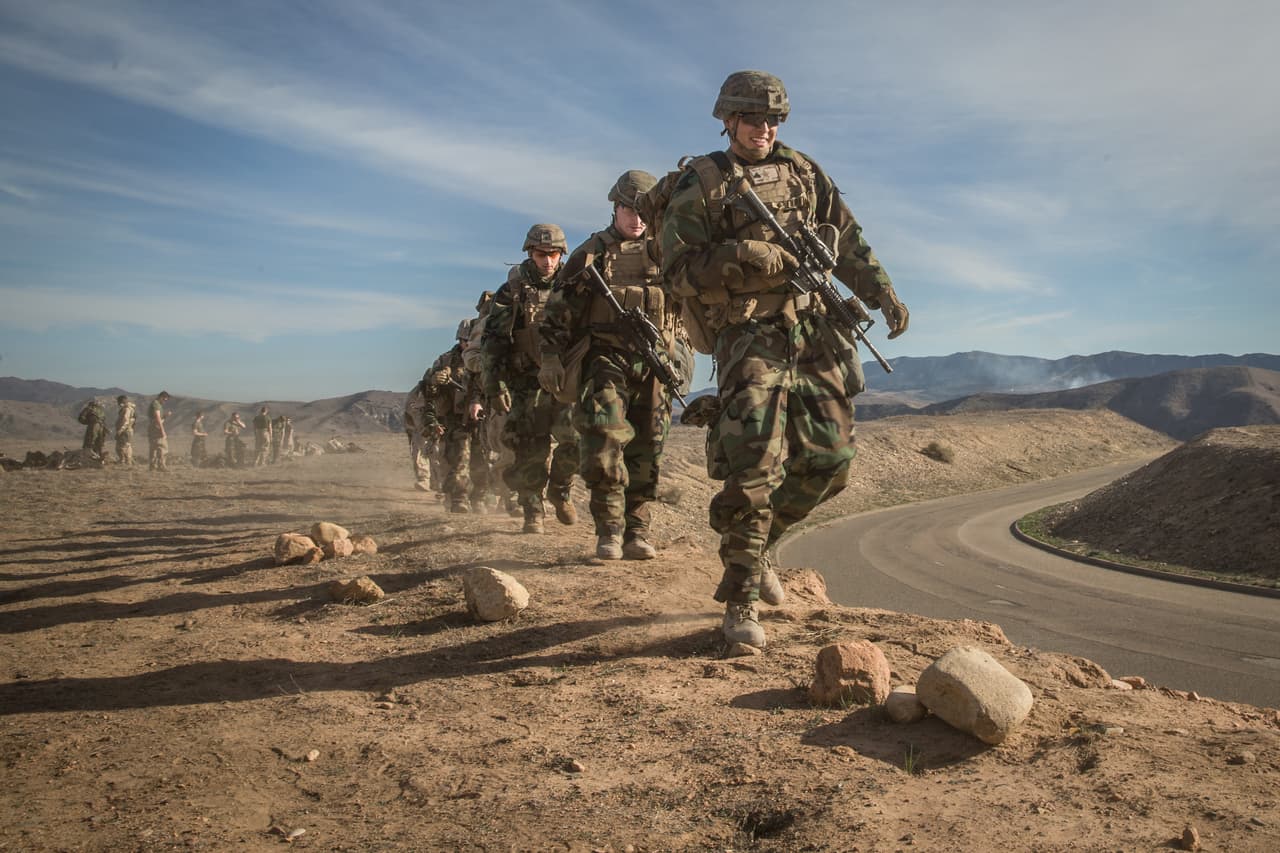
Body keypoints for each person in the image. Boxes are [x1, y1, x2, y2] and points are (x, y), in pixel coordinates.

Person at [660, 71, 910, 650]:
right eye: (753, 119)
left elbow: (847, 240)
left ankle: (765, 542)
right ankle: (741, 597)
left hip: (813, 325)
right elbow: (678, 271)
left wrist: (882, 292)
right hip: (747, 334)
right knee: (754, 466)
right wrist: (747, 256)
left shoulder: (803, 171)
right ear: (728, 121)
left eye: (773, 119)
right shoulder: (702, 182)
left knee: (832, 459)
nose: (764, 129)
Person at [540, 170, 674, 560]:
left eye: (644, 212)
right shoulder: (590, 253)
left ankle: (638, 529)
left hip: (654, 360)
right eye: (629, 210)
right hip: (605, 356)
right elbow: (557, 312)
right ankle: (609, 530)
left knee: (648, 445)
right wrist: (550, 358)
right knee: (603, 440)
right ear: (615, 208)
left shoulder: (667, 251)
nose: (637, 219)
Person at [481, 224, 581, 534]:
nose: (548, 261)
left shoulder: (576, 286)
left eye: (553, 255)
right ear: (530, 253)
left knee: (576, 439)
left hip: (566, 380)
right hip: (526, 381)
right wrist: (494, 384)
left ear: (561, 254)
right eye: (541, 254)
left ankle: (560, 489)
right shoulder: (511, 291)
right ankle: (532, 510)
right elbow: (493, 340)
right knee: (530, 448)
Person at [429, 320, 490, 513]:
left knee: (481, 459)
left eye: (470, 340)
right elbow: (428, 386)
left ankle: (479, 498)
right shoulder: (446, 360)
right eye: (464, 340)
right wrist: (434, 380)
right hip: (456, 419)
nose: (466, 344)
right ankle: (458, 498)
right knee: (459, 458)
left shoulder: (486, 358)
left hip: (483, 417)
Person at [468, 290, 517, 514]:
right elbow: (472, 367)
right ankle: (511, 496)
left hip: (540, 389)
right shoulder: (492, 322)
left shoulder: (550, 309)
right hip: (500, 392)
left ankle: (531, 499)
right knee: (507, 446)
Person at [403, 377, 438, 491]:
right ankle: (424, 480)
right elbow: (409, 407)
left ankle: (437, 481)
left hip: (442, 422)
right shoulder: (420, 390)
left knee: (439, 452)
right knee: (419, 451)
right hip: (421, 424)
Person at [147, 391, 171, 471]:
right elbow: (157, 418)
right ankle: (161, 466)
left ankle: (153, 466)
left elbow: (158, 418)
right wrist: (162, 430)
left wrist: (165, 416)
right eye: (164, 399)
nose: (165, 401)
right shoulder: (156, 404)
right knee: (163, 447)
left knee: (154, 447)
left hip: (153, 427)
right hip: (156, 428)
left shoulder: (156, 404)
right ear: (161, 397)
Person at [114, 395, 136, 465]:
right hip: (129, 430)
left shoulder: (126, 409)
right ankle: (128, 461)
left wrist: (120, 431)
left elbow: (125, 421)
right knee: (127, 445)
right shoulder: (130, 408)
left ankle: (122, 461)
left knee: (120, 447)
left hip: (125, 431)